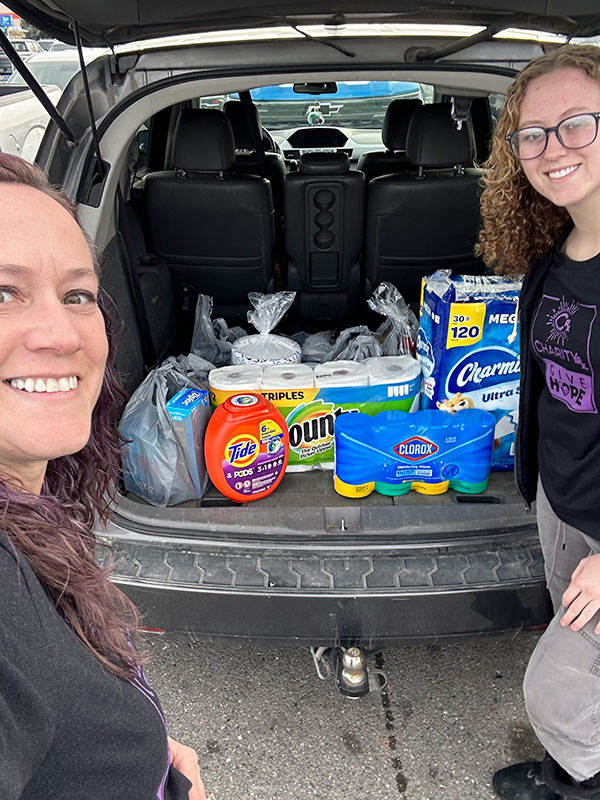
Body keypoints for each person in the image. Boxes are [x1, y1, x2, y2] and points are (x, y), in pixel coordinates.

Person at [0, 153, 206, 800]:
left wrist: (136, 748)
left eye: (78, 295)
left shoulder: (38, 514)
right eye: (3, 293)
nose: (61, 333)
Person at [477, 44, 600, 800]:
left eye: (577, 124)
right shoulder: (559, 255)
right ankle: (571, 768)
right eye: (532, 134)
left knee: (554, 691)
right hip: (562, 494)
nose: (552, 148)